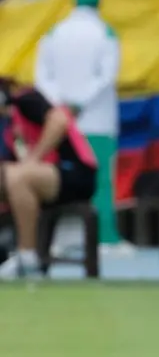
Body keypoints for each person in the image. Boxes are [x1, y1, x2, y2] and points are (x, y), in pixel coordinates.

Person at [34, 0, 121, 245]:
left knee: (59, 178)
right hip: (97, 120)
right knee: (102, 181)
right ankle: (104, 238)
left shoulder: (53, 32)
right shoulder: (106, 33)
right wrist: (80, 103)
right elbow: (106, 75)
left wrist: (61, 105)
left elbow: (41, 75)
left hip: (60, 123)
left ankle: (55, 238)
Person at [0, 77, 97, 279]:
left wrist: (34, 159)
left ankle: (27, 260)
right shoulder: (9, 130)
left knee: (17, 176)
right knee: (10, 176)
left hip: (75, 173)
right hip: (42, 180)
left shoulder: (26, 100)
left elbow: (59, 120)